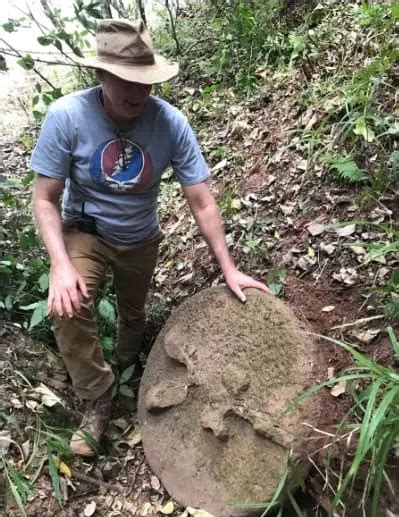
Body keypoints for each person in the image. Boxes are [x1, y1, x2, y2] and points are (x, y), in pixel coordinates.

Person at [31, 19, 268, 457]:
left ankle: (129, 361)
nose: (139, 93)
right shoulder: (67, 116)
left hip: (141, 236)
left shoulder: (169, 123)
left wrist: (229, 268)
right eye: (126, 82)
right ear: (100, 75)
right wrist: (61, 265)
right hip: (86, 230)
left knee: (133, 313)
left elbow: (202, 200)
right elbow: (45, 198)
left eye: (146, 82)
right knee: (68, 306)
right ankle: (99, 397)